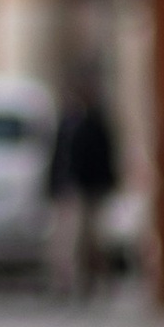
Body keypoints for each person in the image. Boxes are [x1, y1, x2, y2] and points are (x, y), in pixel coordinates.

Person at [45, 76, 120, 304]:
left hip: (90, 188)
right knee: (68, 237)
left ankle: (93, 279)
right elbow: (58, 156)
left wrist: (105, 184)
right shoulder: (67, 122)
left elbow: (104, 156)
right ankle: (67, 281)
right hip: (70, 189)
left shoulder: (95, 121)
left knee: (91, 238)